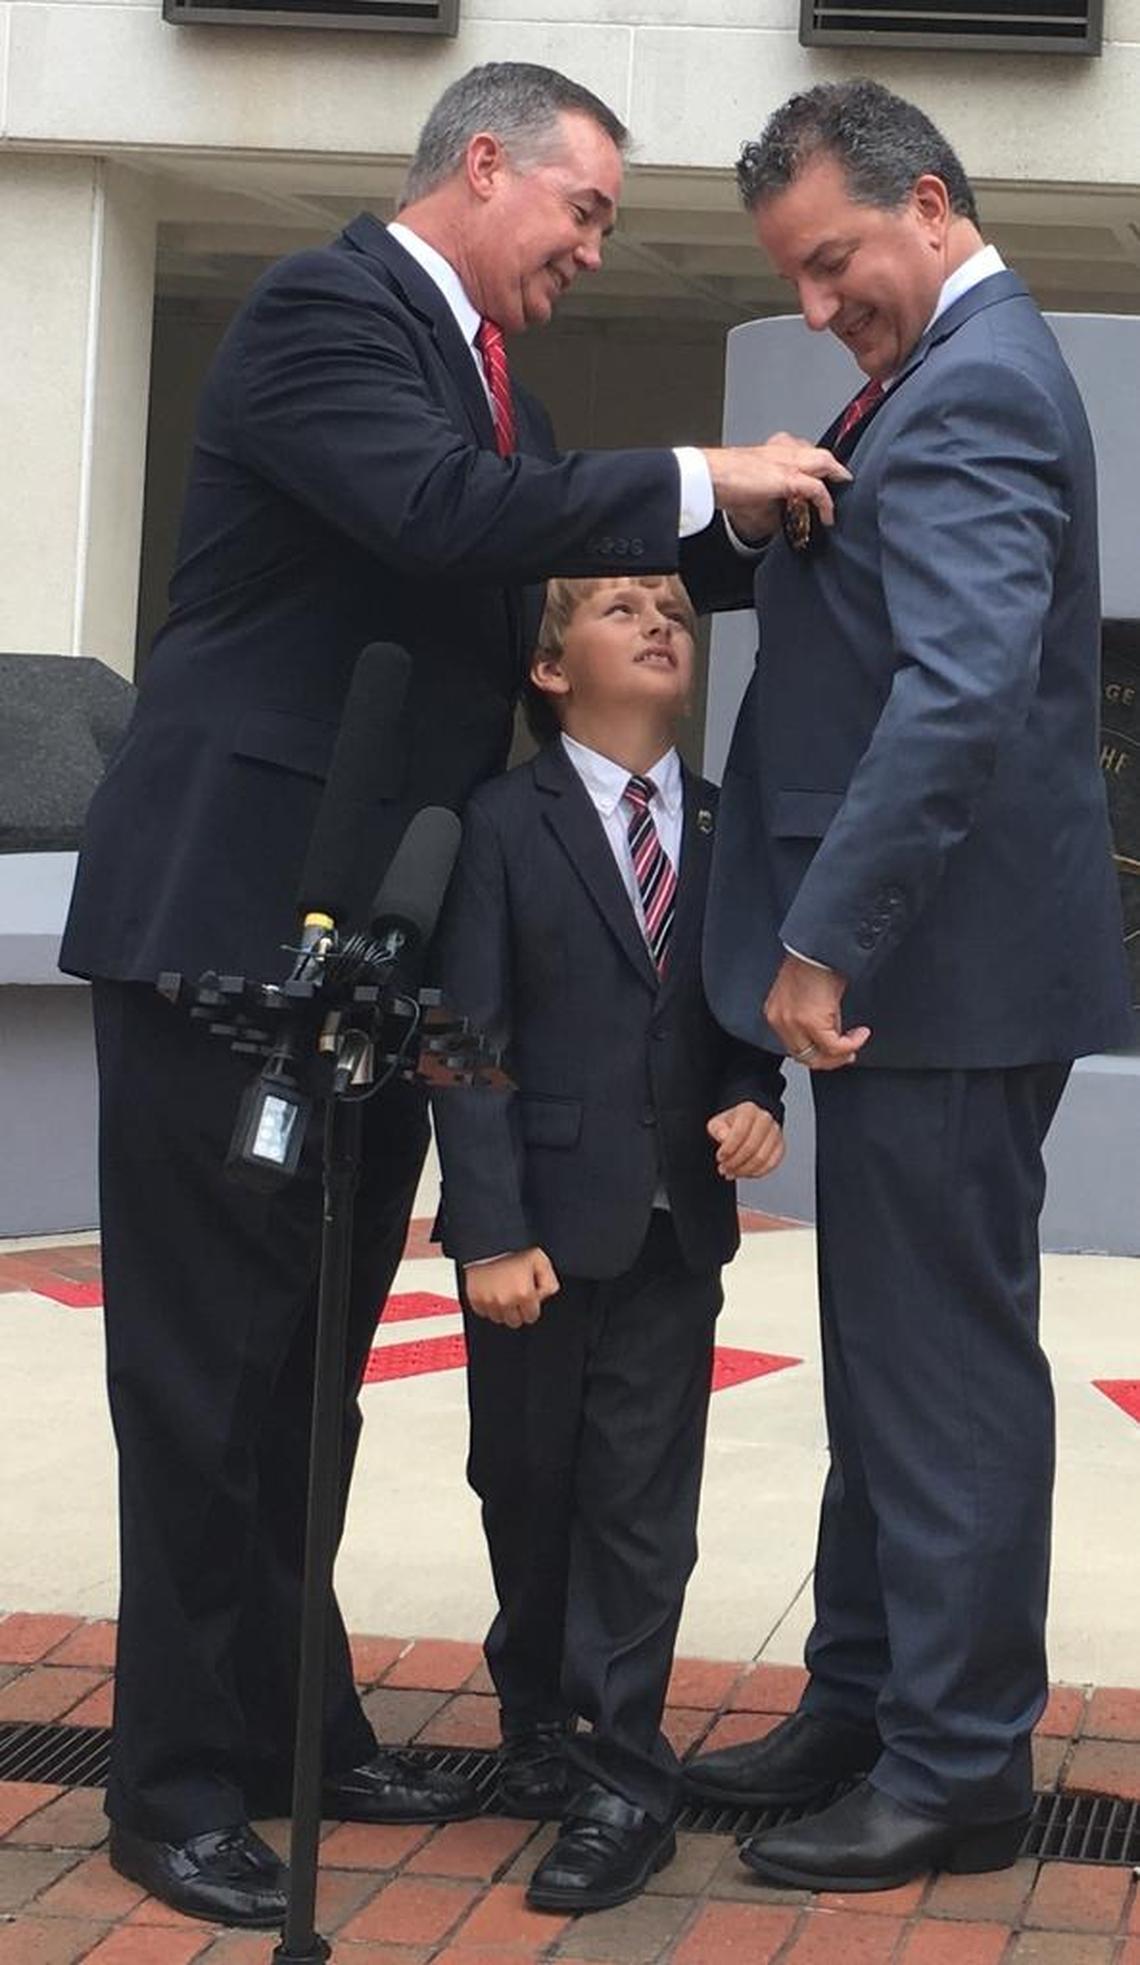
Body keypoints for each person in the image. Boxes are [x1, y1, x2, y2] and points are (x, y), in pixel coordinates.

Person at [59, 60, 845, 1931]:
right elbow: (441, 512)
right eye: (581, 209)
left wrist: (763, 530)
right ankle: (169, 1785)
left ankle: (287, 1725)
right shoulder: (326, 311)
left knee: (309, 1373)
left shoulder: (501, 383)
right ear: (483, 166)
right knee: (205, 1383)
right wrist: (696, 471)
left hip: (372, 959)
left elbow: (546, 574)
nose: (592, 246)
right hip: (226, 927)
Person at [686, 80, 1132, 1893]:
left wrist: (823, 939)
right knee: (886, 1357)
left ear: (931, 204)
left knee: (937, 1372)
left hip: (922, 983)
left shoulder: (978, 392)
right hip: (931, 980)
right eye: (791, 278)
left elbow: (953, 698)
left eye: (833, 261)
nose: (815, 307)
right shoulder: (943, 381)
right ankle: (867, 1694)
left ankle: (955, 1761)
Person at [431, 571, 786, 1914]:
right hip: (533, 1229)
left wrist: (757, 1092)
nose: (658, 623)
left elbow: (741, 1004)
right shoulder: (499, 824)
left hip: (670, 1228)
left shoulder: (722, 823)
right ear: (549, 668)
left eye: (677, 615)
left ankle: (623, 1777)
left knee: (642, 1513)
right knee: (524, 1484)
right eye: (620, 607)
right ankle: (537, 1718)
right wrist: (489, 1227)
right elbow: (464, 1034)